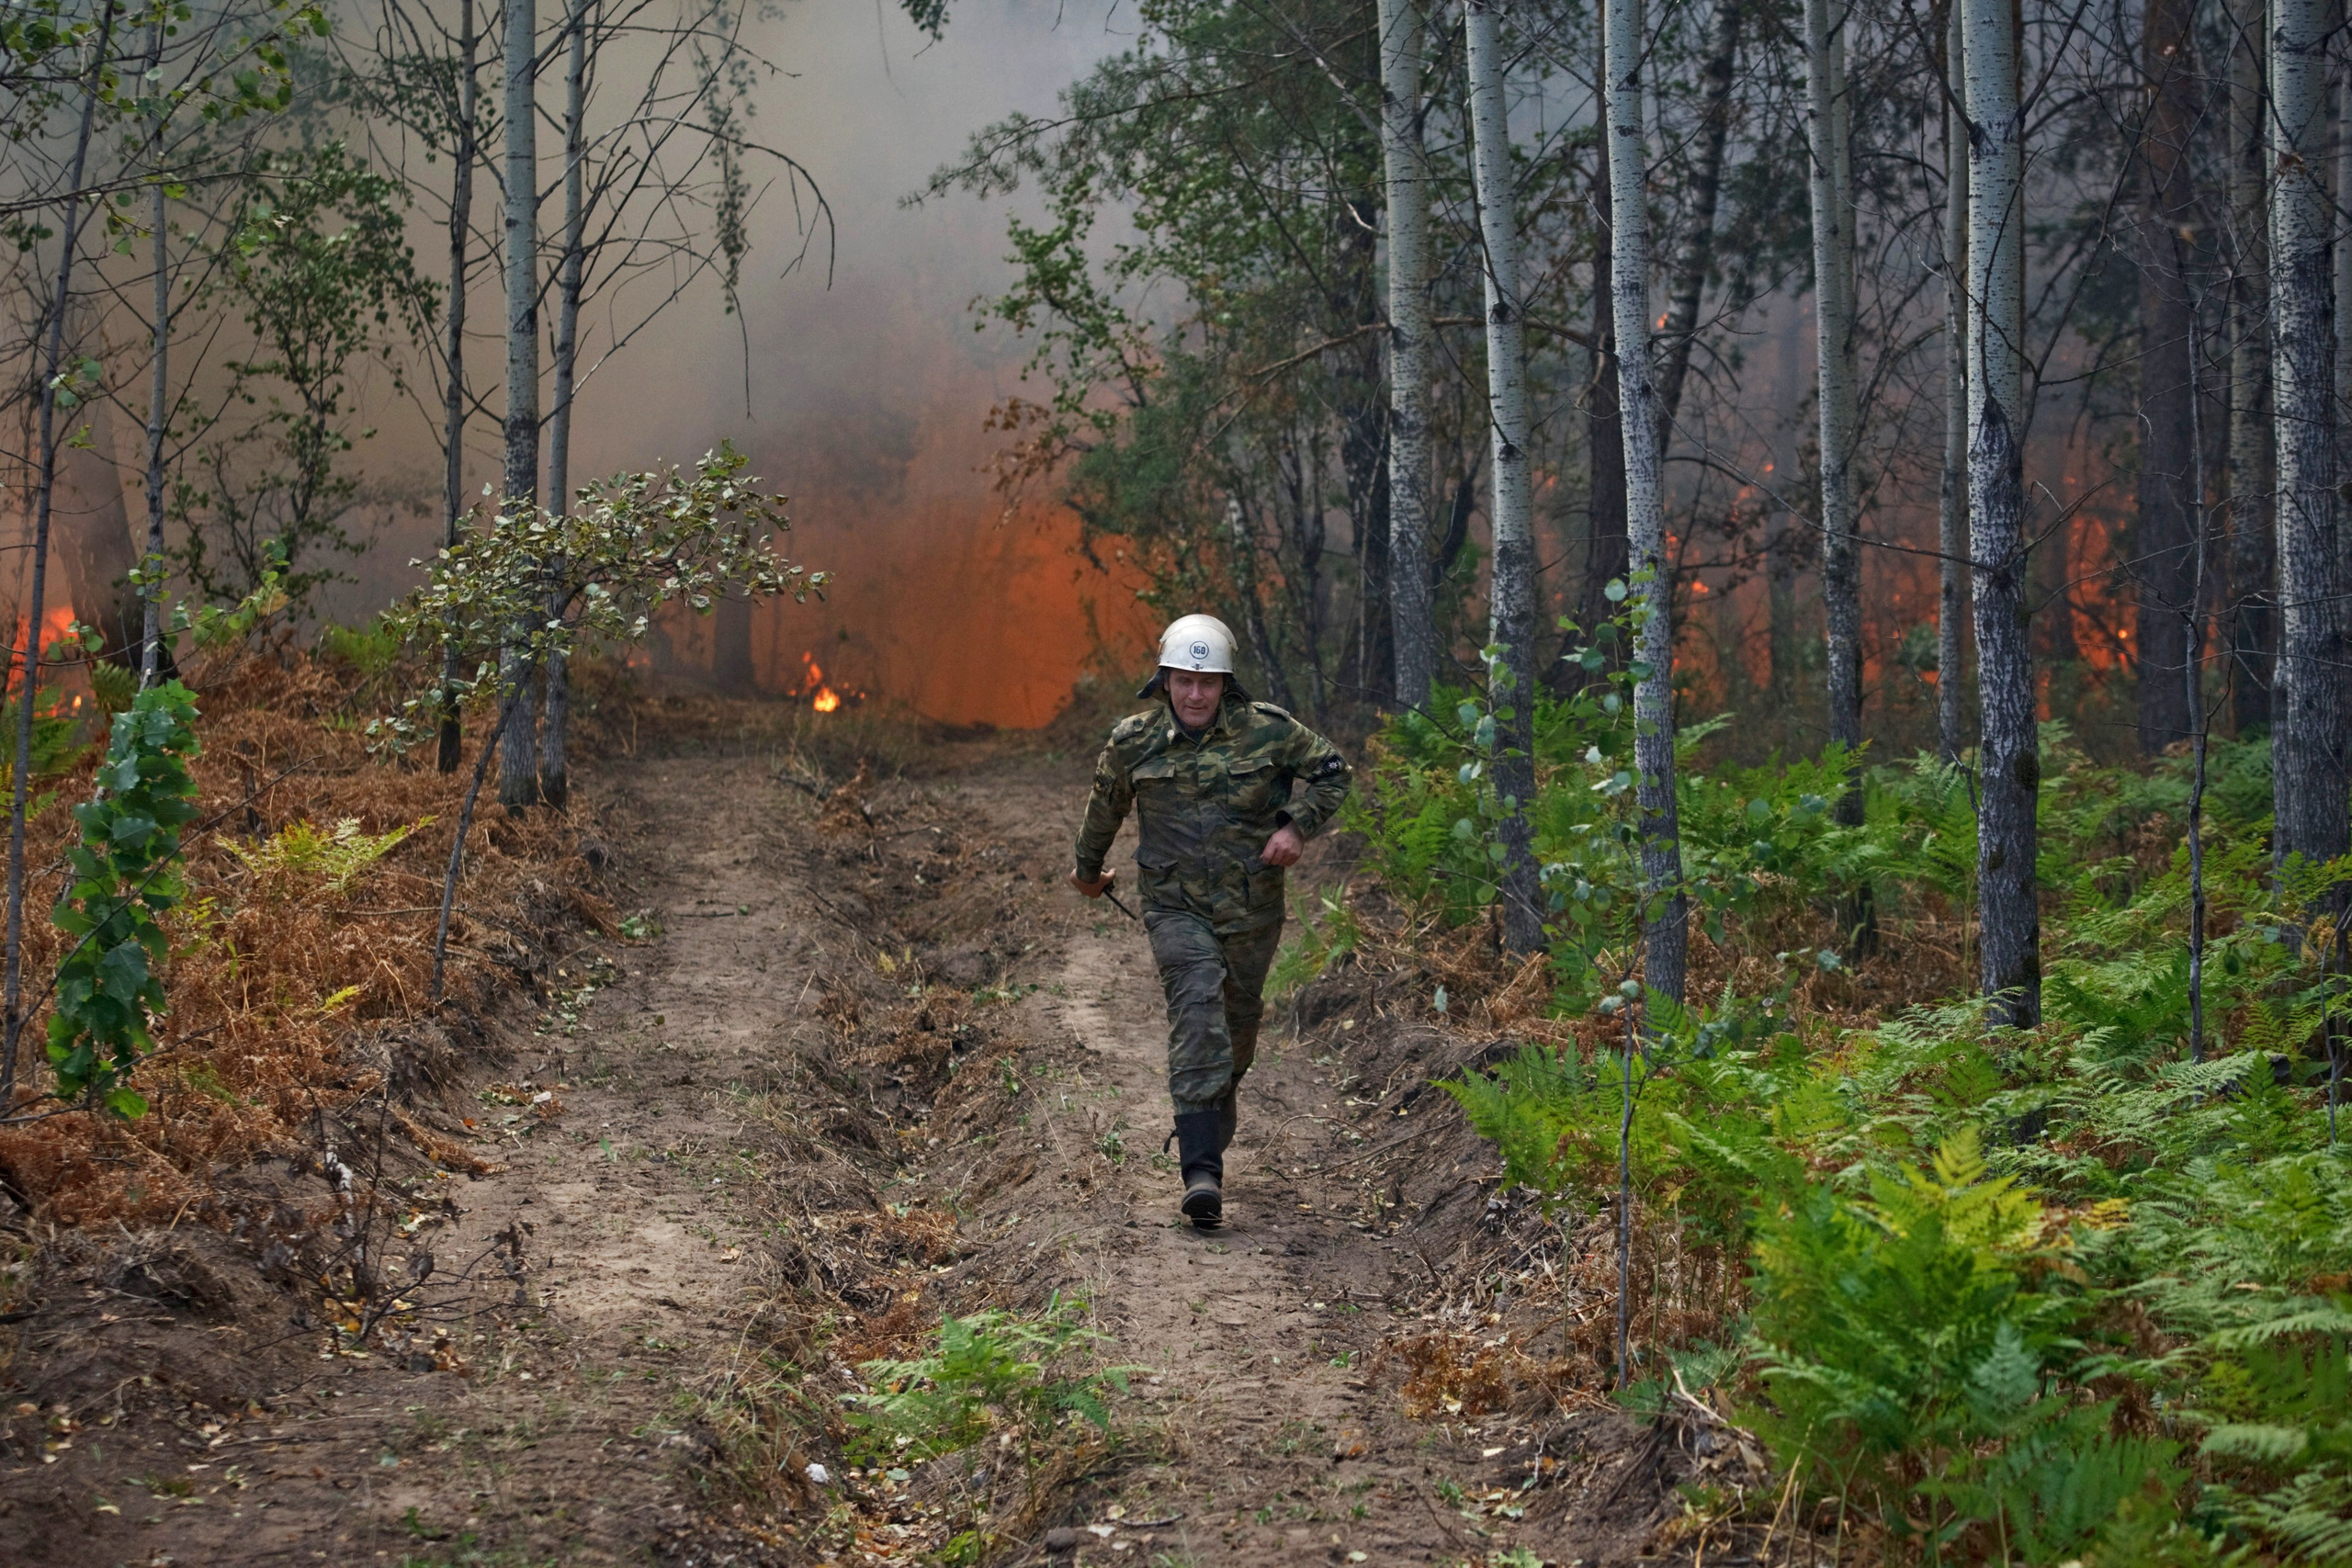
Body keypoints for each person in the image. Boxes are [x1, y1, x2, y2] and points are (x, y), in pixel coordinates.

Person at [1069, 614, 1351, 1225]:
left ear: (1226, 684)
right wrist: (1088, 872)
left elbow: (1334, 772)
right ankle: (1202, 1173)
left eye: (1208, 682)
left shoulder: (1268, 733)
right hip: (1175, 908)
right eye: (1183, 681)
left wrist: (1296, 825)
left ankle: (1214, 1107)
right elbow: (1103, 809)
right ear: (1164, 680)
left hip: (1252, 910)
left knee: (1236, 1026)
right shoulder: (1132, 741)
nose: (1195, 694)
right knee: (1197, 1007)